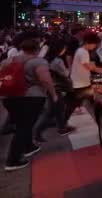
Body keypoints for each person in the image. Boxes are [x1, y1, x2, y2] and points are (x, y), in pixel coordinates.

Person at [3, 38, 58, 171]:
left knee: (22, 124)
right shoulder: (39, 61)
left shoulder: (9, 60)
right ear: (37, 49)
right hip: (31, 97)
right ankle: (13, 160)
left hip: (9, 97)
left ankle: (29, 147)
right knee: (24, 126)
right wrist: (53, 93)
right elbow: (45, 79)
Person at [34, 38, 75, 143]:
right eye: (64, 48)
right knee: (51, 112)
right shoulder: (57, 61)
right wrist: (70, 68)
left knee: (58, 110)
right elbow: (66, 74)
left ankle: (62, 127)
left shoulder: (45, 59)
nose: (65, 50)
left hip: (48, 88)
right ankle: (36, 133)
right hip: (56, 88)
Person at [67, 33, 102, 120]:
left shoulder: (80, 50)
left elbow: (89, 65)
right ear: (88, 42)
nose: (94, 47)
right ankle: (63, 125)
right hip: (80, 83)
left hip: (80, 81)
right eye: (94, 44)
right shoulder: (84, 52)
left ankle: (64, 122)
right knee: (75, 103)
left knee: (80, 100)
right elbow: (89, 67)